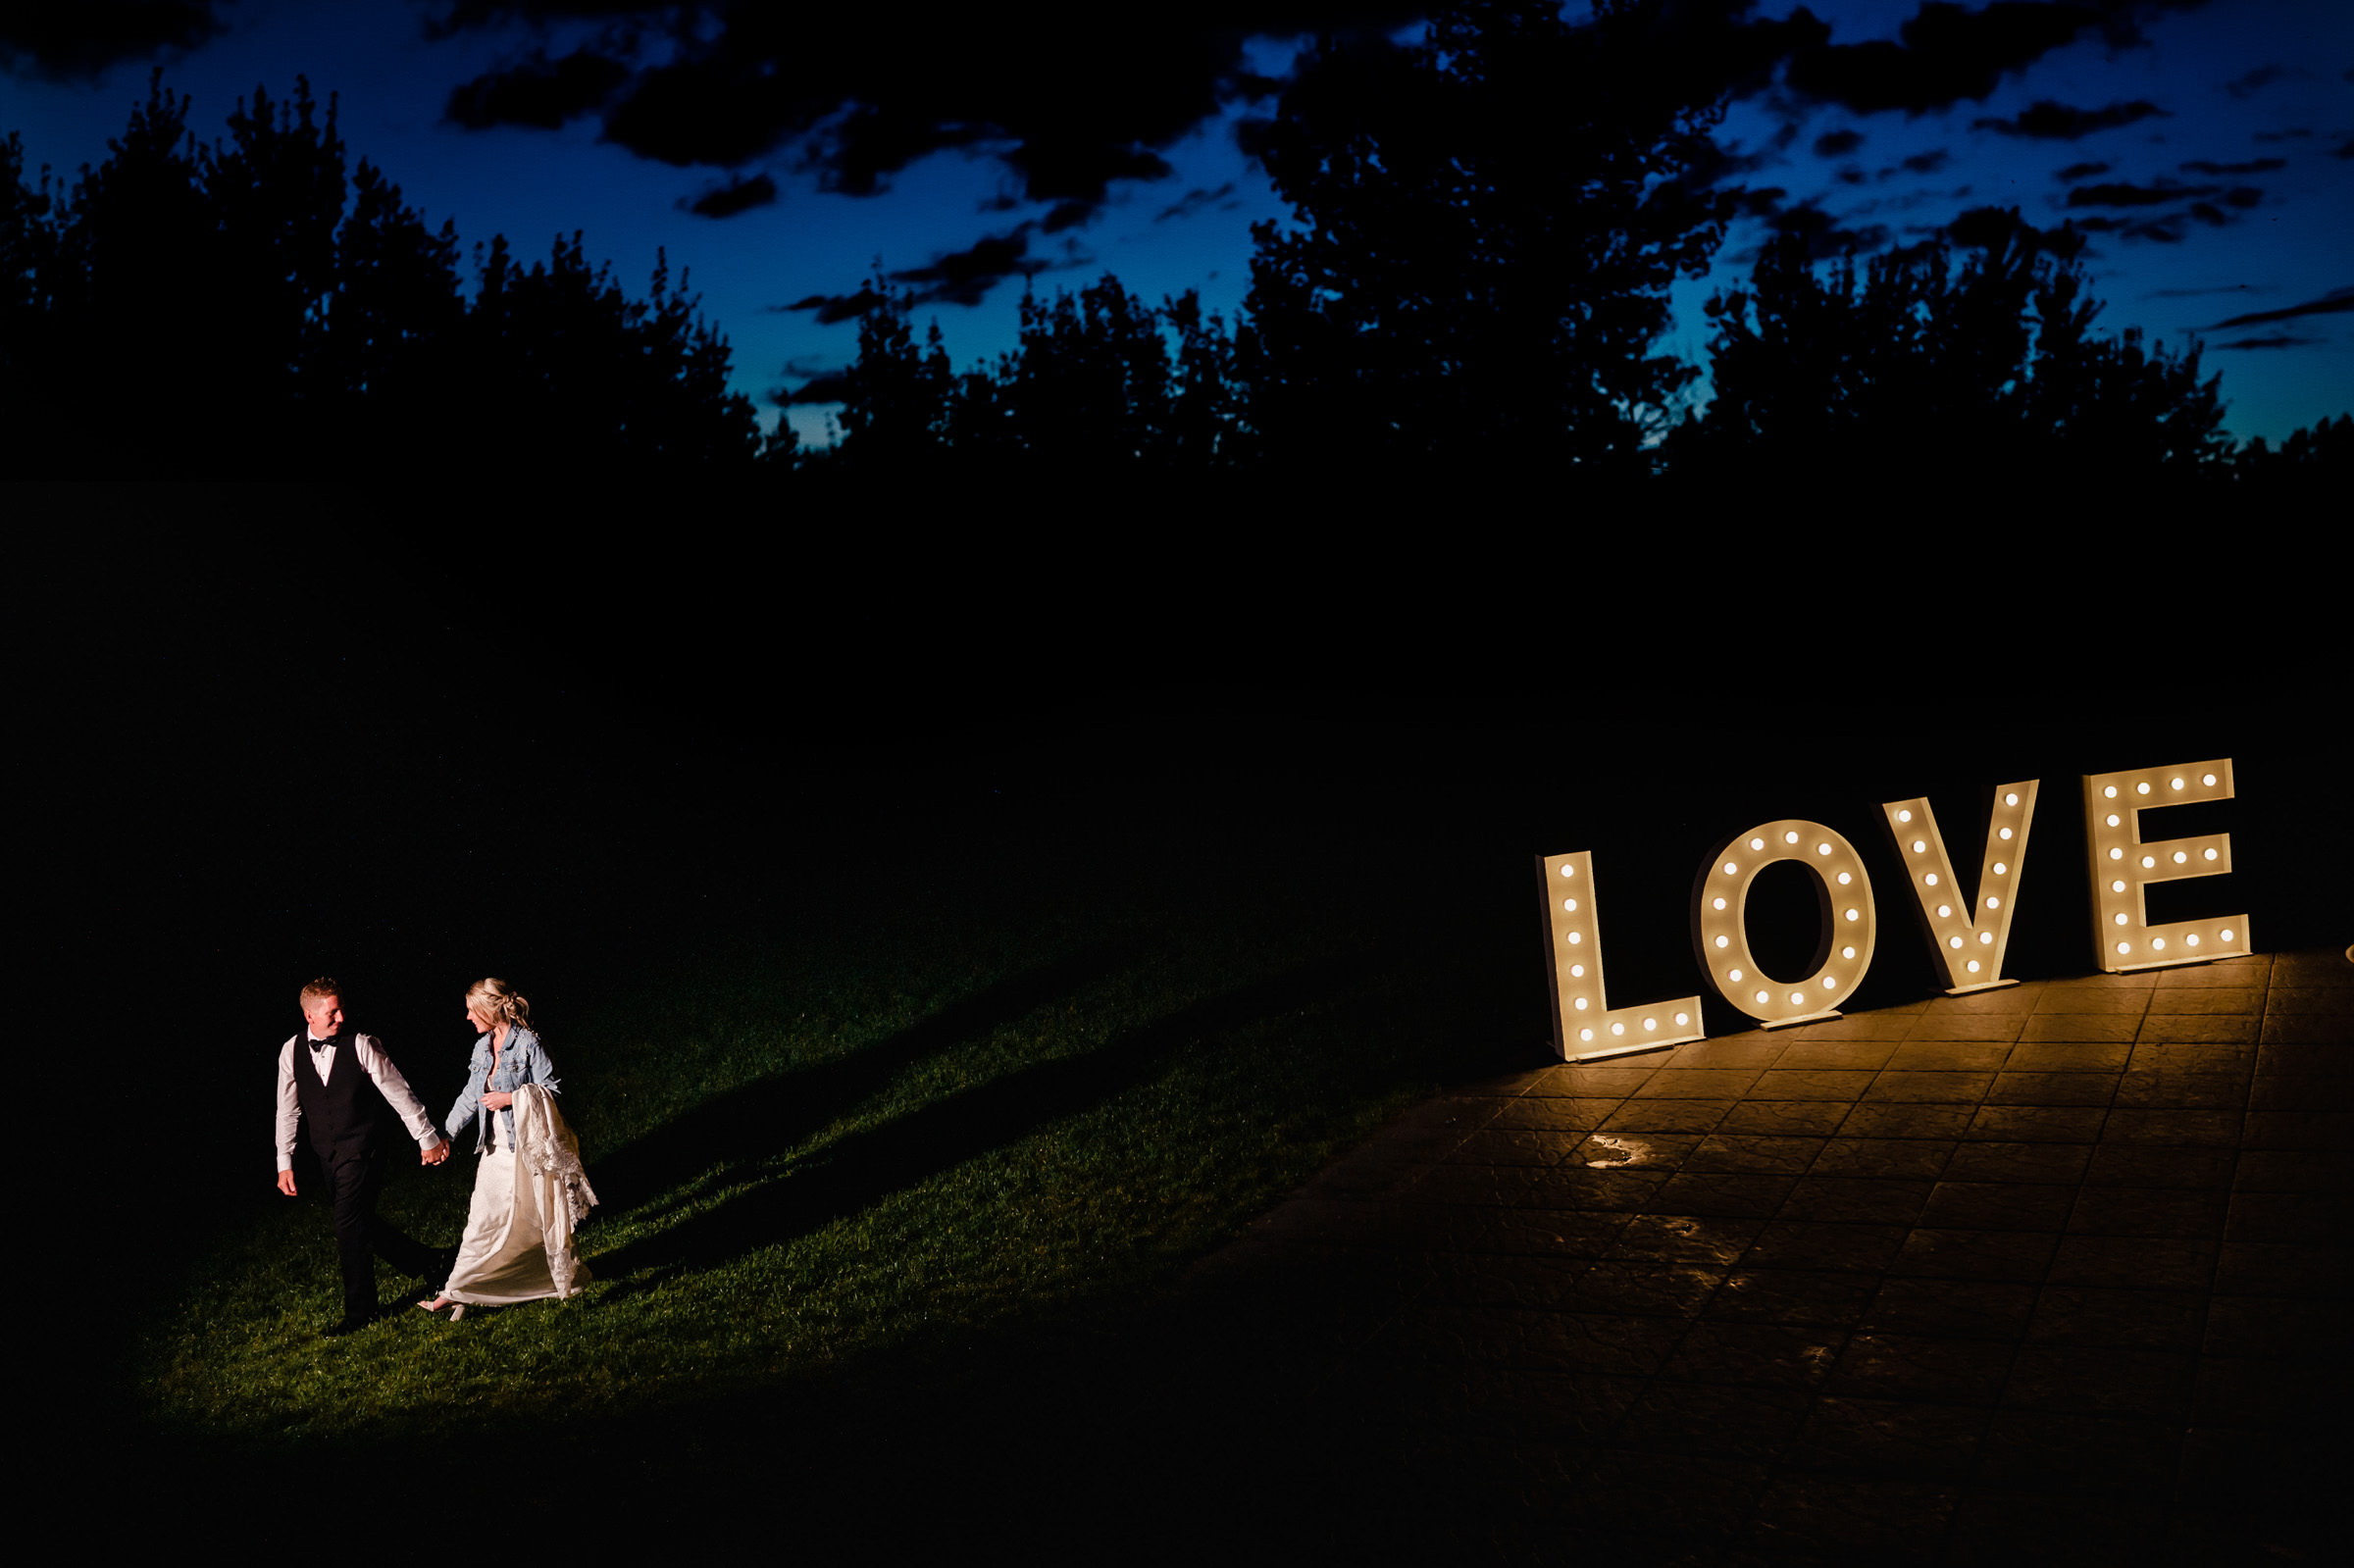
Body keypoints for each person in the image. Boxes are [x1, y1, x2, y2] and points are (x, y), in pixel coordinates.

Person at [274, 977, 454, 1336]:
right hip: (326, 1154)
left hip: (364, 1148)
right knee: (359, 1222)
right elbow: (287, 1110)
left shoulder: (362, 1044)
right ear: (309, 1016)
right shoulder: (290, 1051)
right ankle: (433, 1261)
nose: (340, 1016)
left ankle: (361, 1313)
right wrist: (284, 1162)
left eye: (341, 1008)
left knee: (347, 1226)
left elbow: (399, 1092)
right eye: (332, 1012)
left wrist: (427, 1137)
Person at [420, 978, 595, 1318]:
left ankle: (476, 1290)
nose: (468, 1017)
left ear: (489, 1008)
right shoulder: (482, 1048)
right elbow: (470, 1096)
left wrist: (512, 1098)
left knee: (530, 1221)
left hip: (524, 1149)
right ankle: (459, 1290)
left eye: (472, 1010)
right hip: (494, 1149)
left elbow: (553, 1090)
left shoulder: (528, 1043)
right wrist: (446, 1137)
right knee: (481, 1221)